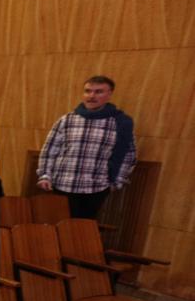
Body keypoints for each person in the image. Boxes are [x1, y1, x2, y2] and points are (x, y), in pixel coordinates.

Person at [36, 75, 136, 219]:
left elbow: (128, 155)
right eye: (88, 91)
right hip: (62, 184)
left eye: (98, 92)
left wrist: (117, 181)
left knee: (82, 231)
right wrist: (45, 175)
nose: (91, 96)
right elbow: (50, 150)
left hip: (96, 187)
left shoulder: (120, 123)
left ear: (109, 94)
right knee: (59, 227)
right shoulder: (67, 120)